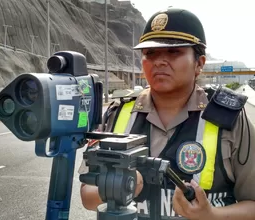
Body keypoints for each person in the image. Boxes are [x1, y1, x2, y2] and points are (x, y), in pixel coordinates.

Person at [78, 7, 255, 220]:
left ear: (199, 64)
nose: (159, 61)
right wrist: (118, 187)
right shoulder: (117, 114)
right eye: (149, 53)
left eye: (174, 52)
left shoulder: (230, 119)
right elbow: (87, 195)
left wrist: (212, 215)